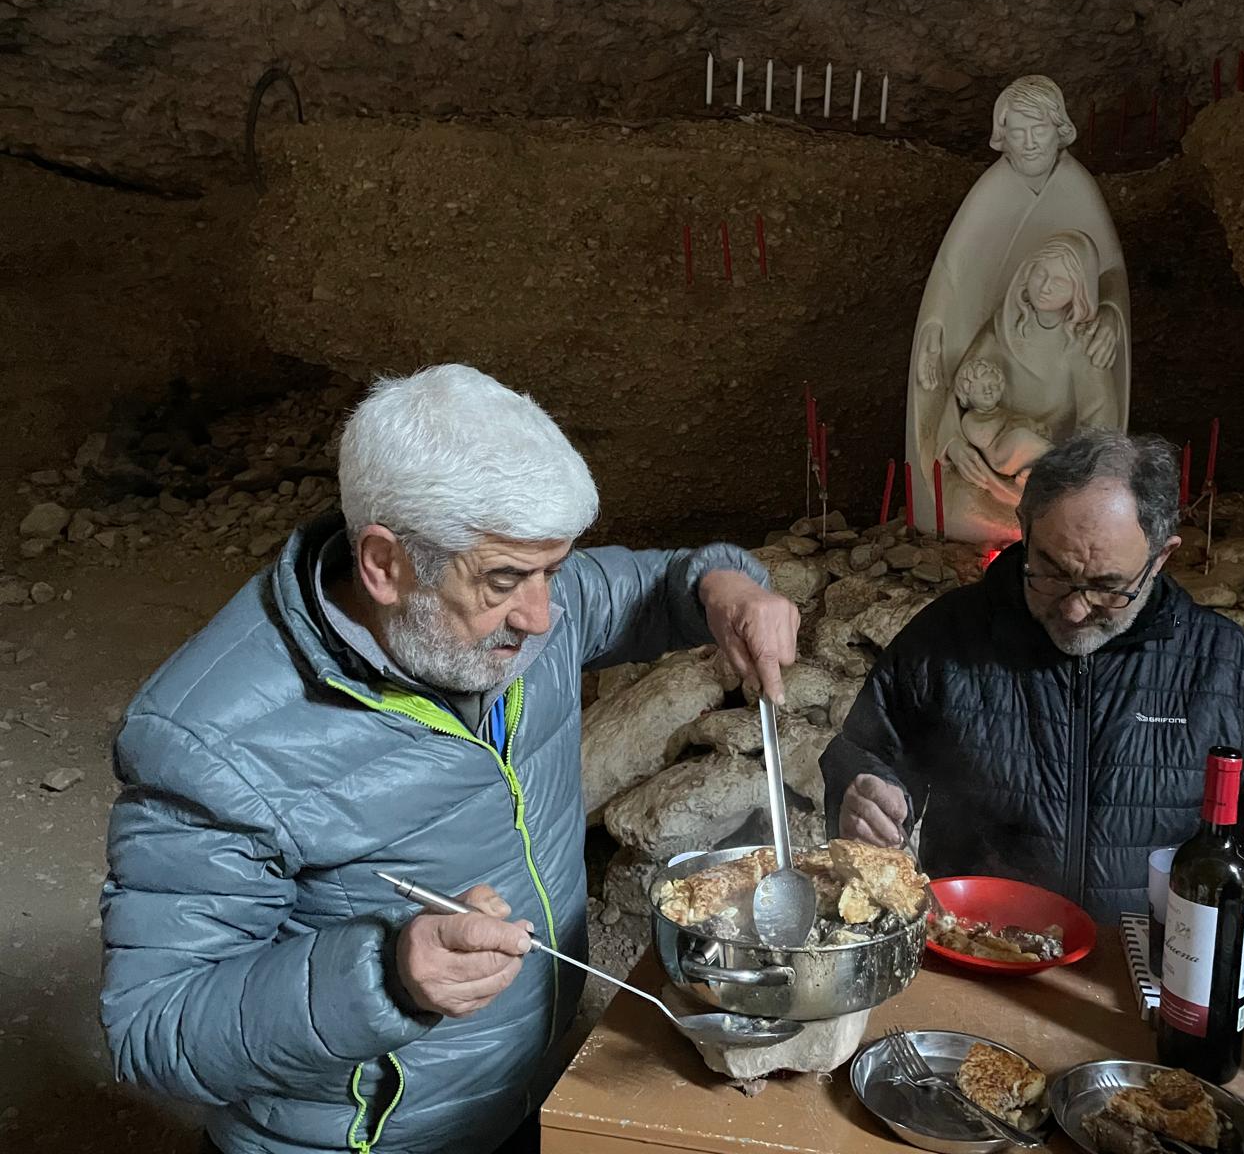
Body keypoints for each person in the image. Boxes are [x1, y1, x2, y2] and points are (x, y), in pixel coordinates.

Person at [99, 364, 800, 1154]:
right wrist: (386, 974)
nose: (542, 617)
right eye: (506, 580)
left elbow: (648, 584)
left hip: (518, 1089)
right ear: (384, 565)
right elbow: (154, 1029)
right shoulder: (211, 743)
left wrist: (724, 584)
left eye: (554, 570)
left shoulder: (517, 610)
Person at [821, 430, 1244, 920]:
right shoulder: (947, 637)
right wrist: (862, 786)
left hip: (1150, 967)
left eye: (1108, 587)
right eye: (1053, 572)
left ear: (1161, 556)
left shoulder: (1224, 667)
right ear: (1024, 527)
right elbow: (861, 751)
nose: (1076, 610)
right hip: (978, 948)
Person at [905, 75, 1130, 538]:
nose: (1028, 143)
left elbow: (1108, 275)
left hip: (1054, 437)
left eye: (1039, 130)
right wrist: (934, 334)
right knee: (964, 506)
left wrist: (1109, 314)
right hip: (997, 423)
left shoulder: (1077, 189)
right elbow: (954, 276)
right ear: (1000, 134)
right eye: (1017, 131)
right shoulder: (991, 193)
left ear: (1060, 128)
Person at [939, 231, 1127, 524]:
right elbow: (962, 389)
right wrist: (952, 443)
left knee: (1057, 509)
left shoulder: (1080, 345)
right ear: (1027, 273)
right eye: (1040, 273)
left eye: (1060, 281)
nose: (1045, 287)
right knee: (960, 505)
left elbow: (1098, 421)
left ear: (1078, 290)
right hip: (995, 453)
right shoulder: (1002, 329)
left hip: (1052, 460)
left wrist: (1076, 468)